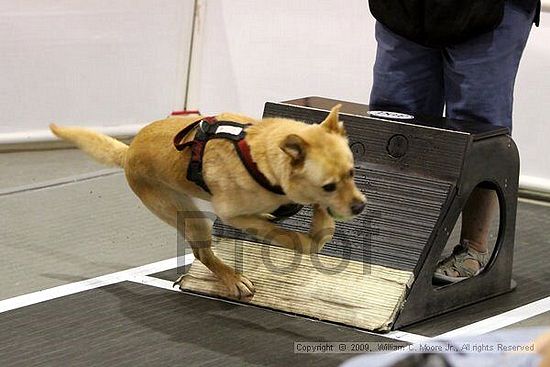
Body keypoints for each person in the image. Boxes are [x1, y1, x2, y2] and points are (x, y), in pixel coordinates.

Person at [367, 0, 541, 283]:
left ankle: (473, 249)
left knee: (478, 126)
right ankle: (399, 241)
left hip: (493, 10)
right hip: (407, 10)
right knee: (395, 118)